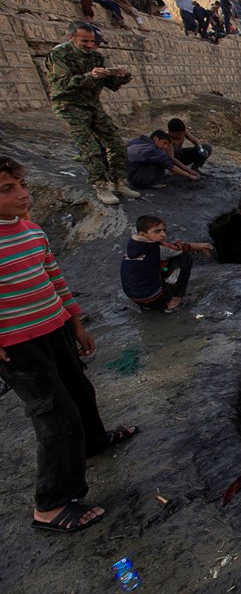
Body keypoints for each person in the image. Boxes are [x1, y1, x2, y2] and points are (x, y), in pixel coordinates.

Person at [0, 156, 139, 533]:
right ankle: (51, 504)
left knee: (80, 391)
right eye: (7, 190)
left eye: (21, 185)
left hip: (55, 328)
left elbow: (54, 279)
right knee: (56, 419)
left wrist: (75, 322)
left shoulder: (30, 232)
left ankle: (94, 442)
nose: (22, 195)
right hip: (19, 346)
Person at [47, 22, 139, 205]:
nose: (89, 45)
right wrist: (90, 76)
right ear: (71, 38)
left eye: (92, 41)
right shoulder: (58, 55)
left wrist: (122, 75)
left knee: (116, 143)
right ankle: (101, 185)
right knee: (90, 148)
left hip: (92, 104)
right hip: (69, 104)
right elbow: (63, 86)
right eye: (84, 41)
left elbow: (112, 85)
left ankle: (118, 181)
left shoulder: (97, 57)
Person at [120, 214, 212, 313]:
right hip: (156, 298)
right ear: (143, 234)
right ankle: (175, 298)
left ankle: (151, 304)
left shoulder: (132, 247)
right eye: (157, 231)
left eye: (164, 230)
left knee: (156, 264)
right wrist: (200, 246)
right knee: (184, 258)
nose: (163, 234)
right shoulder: (156, 248)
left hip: (135, 299)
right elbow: (178, 248)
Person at [126, 130, 199, 189]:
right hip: (135, 178)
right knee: (160, 164)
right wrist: (189, 175)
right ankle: (151, 183)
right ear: (156, 139)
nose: (165, 147)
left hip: (128, 173)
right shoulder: (153, 151)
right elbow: (171, 167)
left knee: (158, 160)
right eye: (164, 143)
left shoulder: (138, 141)